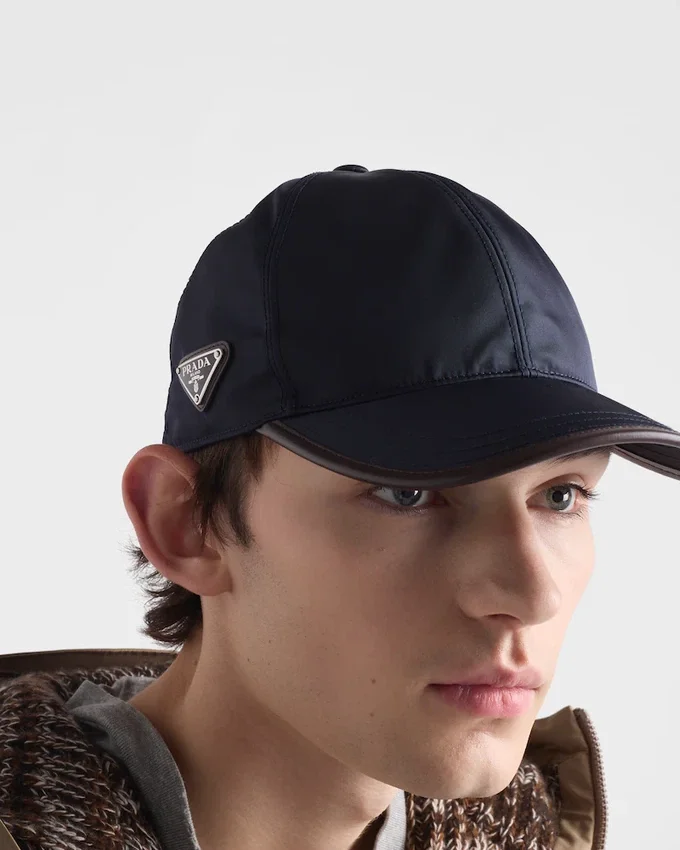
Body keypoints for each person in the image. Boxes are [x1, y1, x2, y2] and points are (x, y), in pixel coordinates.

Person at [2, 164, 679, 850]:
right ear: (187, 523)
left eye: (560, 496)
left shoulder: (527, 832)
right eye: (408, 492)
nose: (533, 595)